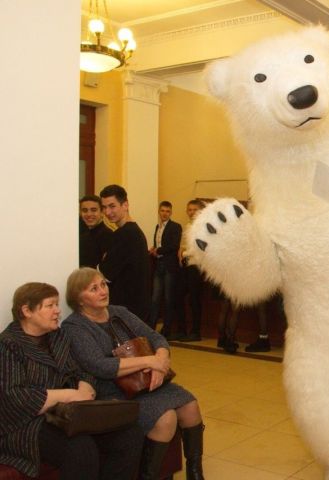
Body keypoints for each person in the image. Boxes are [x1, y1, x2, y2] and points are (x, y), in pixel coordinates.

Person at [62, 268, 205, 480]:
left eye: (103, 284)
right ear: (79, 299)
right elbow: (99, 365)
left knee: (191, 406)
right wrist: (149, 361)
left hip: (147, 381)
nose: (103, 291)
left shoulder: (120, 312)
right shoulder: (74, 326)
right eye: (94, 288)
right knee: (166, 418)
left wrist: (161, 362)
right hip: (113, 390)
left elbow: (156, 338)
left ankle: (195, 472)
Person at [0, 282, 143, 479]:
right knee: (81, 448)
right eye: (50, 306)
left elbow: (81, 371)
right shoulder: (9, 345)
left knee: (130, 435)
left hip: (68, 414)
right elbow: (14, 398)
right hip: (28, 424)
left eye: (57, 305)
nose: (58, 311)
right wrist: (69, 394)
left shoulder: (57, 336)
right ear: (26, 310)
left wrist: (86, 387)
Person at [99, 184, 151, 321]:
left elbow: (105, 274)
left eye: (112, 206)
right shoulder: (134, 231)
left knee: (125, 344)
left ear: (125, 205)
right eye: (104, 207)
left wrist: (103, 263)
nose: (107, 212)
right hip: (134, 308)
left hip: (126, 310)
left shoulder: (125, 234)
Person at [148, 201, 183, 339]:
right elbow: (160, 244)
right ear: (159, 211)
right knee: (155, 298)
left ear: (171, 213)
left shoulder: (176, 226)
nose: (164, 213)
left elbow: (174, 245)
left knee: (168, 299)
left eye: (167, 211)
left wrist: (159, 250)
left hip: (169, 266)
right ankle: (150, 329)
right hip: (158, 265)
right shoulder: (158, 226)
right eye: (162, 210)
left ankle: (166, 330)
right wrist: (154, 249)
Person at [177, 199, 206, 342]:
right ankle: (182, 330)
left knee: (195, 299)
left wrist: (184, 253)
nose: (192, 212)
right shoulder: (188, 226)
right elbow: (183, 245)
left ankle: (196, 331)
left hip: (197, 266)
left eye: (195, 209)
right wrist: (181, 253)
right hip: (186, 265)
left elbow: (199, 249)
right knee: (179, 296)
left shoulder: (204, 227)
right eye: (189, 209)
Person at [79, 194, 112, 268]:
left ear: (102, 212)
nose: (89, 214)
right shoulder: (80, 234)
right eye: (85, 210)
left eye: (94, 210)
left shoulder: (108, 236)